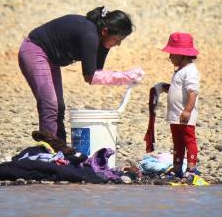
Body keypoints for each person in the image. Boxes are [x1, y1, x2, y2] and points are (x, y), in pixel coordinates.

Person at [18, 7, 144, 141]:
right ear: (105, 31)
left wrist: (125, 78)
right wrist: (124, 77)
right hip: (35, 50)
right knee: (49, 105)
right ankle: (46, 151)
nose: (118, 44)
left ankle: (60, 148)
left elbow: (96, 73)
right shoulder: (89, 35)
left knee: (59, 107)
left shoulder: (103, 42)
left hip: (52, 59)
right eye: (117, 39)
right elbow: (90, 77)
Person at [148, 32, 200, 178]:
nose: (169, 57)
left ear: (181, 54)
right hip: (175, 115)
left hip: (185, 115)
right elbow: (176, 88)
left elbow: (193, 92)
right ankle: (177, 169)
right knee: (177, 142)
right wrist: (162, 88)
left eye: (172, 53)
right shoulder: (180, 71)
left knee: (189, 140)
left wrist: (187, 110)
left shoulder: (191, 71)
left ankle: (191, 169)